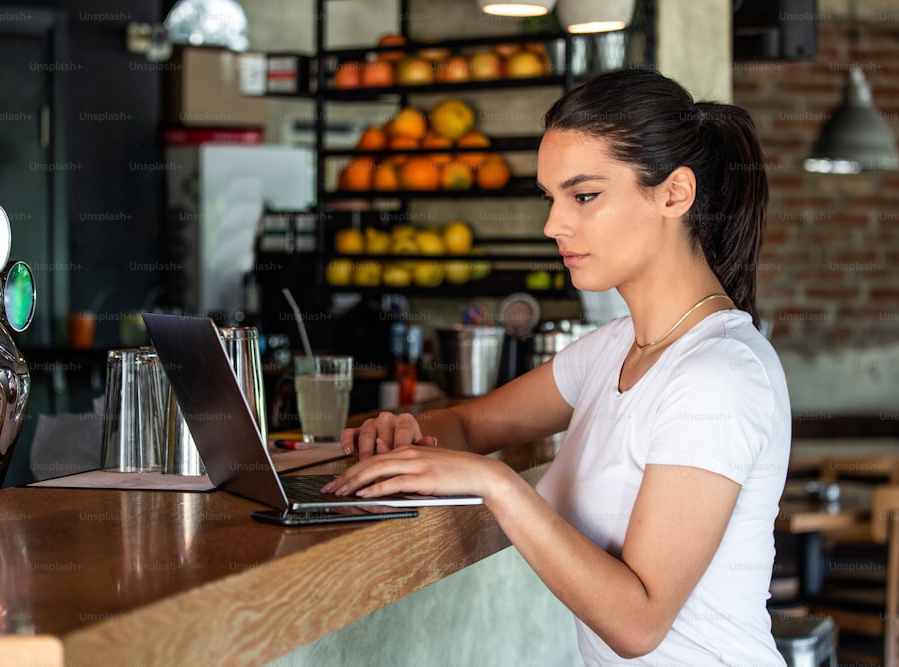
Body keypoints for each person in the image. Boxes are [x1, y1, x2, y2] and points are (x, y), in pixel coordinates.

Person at [323, 68, 790, 667]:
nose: (553, 225)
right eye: (552, 198)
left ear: (675, 193)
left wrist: (495, 484)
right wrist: (411, 434)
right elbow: (471, 424)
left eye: (585, 196)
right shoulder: (614, 348)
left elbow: (638, 623)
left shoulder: (716, 375)